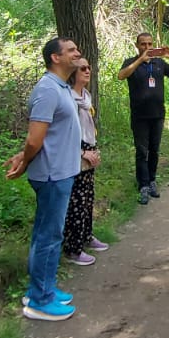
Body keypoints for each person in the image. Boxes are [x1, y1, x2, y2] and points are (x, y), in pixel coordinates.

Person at [4, 37, 87, 321]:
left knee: (50, 234)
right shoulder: (47, 89)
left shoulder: (61, 87)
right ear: (55, 57)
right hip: (52, 174)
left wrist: (22, 154)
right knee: (48, 237)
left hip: (61, 171)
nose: (78, 53)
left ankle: (45, 288)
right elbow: (35, 138)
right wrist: (25, 160)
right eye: (71, 50)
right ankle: (39, 301)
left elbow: (45, 135)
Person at [117, 32, 169, 205]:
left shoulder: (159, 63)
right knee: (141, 151)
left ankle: (152, 180)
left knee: (154, 149)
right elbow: (121, 75)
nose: (147, 47)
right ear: (137, 46)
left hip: (157, 114)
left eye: (149, 44)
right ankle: (143, 185)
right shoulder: (131, 62)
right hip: (139, 115)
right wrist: (140, 61)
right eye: (143, 44)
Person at [61, 62, 108, 266]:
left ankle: (86, 236)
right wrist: (82, 151)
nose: (88, 70)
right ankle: (73, 248)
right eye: (82, 69)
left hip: (89, 145)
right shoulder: (68, 99)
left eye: (89, 67)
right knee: (77, 201)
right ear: (73, 73)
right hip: (75, 150)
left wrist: (93, 149)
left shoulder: (85, 97)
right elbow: (63, 134)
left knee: (88, 197)